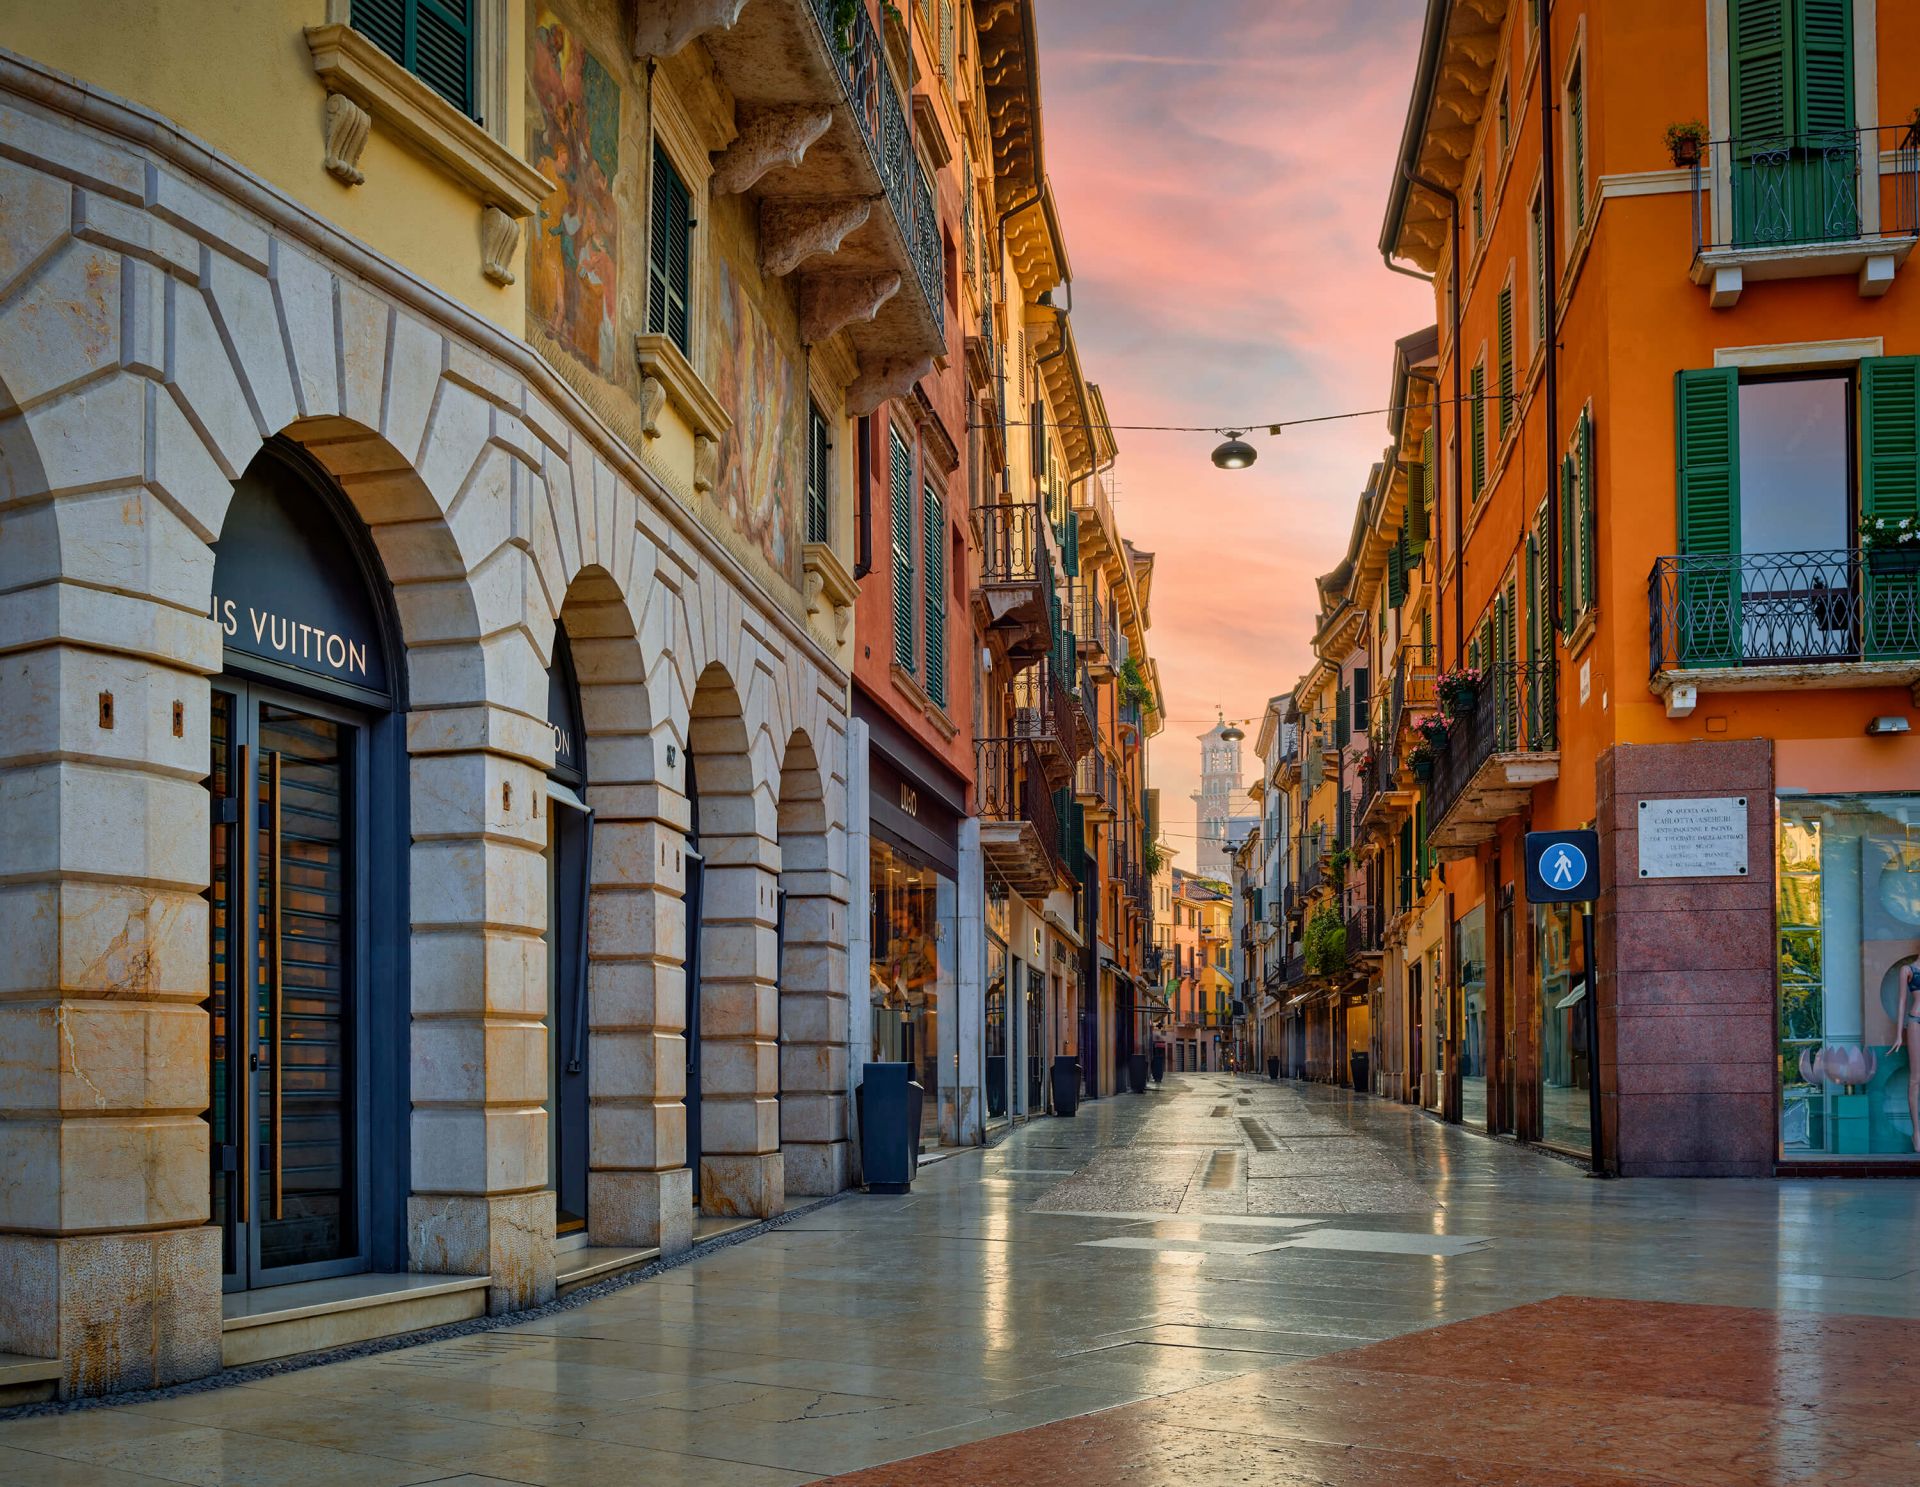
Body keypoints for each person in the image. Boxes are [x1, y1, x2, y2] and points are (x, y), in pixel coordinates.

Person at [1895, 960, 1920, 1155]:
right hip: (1915, 1022)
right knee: (1915, 1080)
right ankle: (1917, 1132)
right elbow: (1902, 1001)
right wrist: (1897, 1035)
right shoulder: (1908, 970)